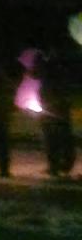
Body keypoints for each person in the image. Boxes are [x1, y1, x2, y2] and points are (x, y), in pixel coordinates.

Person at [38, 47, 74, 177]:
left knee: (54, 141)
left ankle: (57, 166)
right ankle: (60, 166)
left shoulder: (51, 78)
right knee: (60, 140)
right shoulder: (59, 75)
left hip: (54, 114)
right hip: (57, 114)